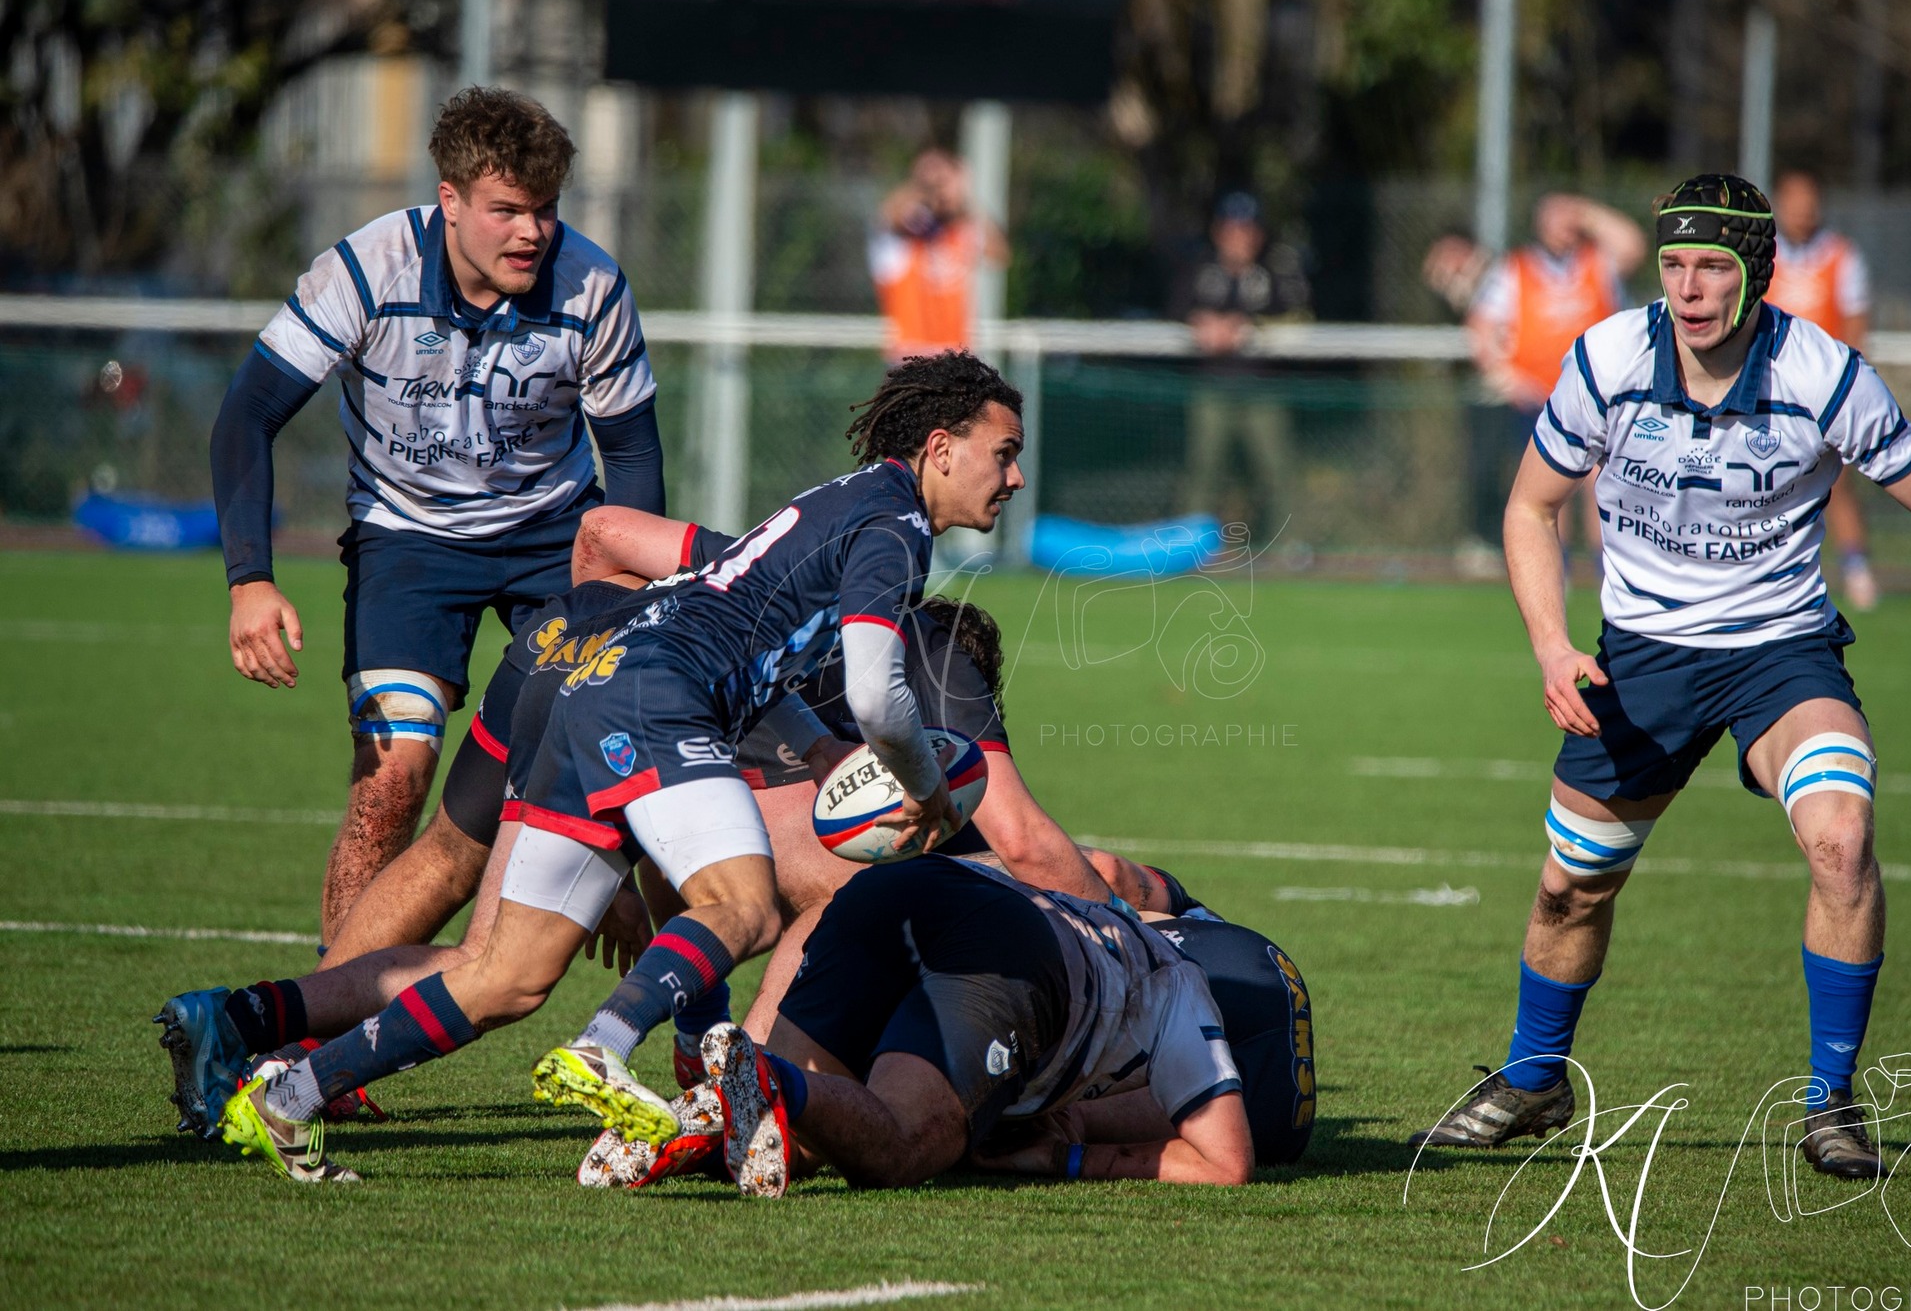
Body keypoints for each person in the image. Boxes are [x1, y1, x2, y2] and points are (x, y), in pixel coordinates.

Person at [212, 352, 1027, 1182]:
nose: (1017, 474)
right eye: (1005, 451)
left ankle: (290, 1097)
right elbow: (877, 688)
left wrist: (817, 749)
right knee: (745, 907)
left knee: (506, 976)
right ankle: (601, 1044)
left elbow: (748, 621)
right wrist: (929, 792)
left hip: (595, 680)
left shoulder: (847, 500)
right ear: (940, 447)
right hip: (658, 694)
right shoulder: (897, 528)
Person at [1408, 174, 1911, 1181]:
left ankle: (1829, 1101)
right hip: (1640, 660)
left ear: (1757, 274)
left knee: (1841, 840)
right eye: (1673, 265)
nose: (1690, 288)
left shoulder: (1822, 372)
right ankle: (1532, 1079)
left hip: (1779, 656)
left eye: (1713, 266)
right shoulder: (1607, 357)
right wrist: (1547, 642)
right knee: (1569, 891)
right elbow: (1530, 507)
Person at [203, 86, 666, 948]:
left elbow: (633, 457)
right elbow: (246, 415)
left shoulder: (592, 283)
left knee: (633, 762)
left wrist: (628, 602)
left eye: (547, 209)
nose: (532, 231)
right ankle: (321, 1028)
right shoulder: (365, 270)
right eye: (507, 211)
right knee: (391, 783)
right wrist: (251, 581)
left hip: (557, 538)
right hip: (408, 539)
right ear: (448, 201)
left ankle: (681, 1023)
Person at [688, 856, 1255, 1196]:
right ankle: (768, 1074)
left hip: (898, 885)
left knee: (796, 1146)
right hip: (1006, 945)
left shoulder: (1107, 921)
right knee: (898, 1148)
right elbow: (1228, 1163)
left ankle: (675, 1131)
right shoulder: (1182, 982)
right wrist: (1061, 1160)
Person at [1462, 194, 1646, 571]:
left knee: (1602, 487)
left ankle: (1606, 575)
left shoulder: (1596, 261)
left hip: (1600, 397)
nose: (1563, 227)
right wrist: (1509, 380)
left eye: (1569, 220)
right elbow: (1480, 328)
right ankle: (1552, 572)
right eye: (1555, 219)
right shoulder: (1516, 269)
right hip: (1540, 402)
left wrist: (1584, 211)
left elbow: (1633, 245)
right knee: (1550, 491)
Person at [1767, 170, 1882, 611]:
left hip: (1823, 389)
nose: (1802, 211)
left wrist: (1844, 381)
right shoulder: (1766, 254)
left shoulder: (1841, 255)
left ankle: (1856, 569)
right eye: (1794, 201)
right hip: (1771, 391)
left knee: (1838, 482)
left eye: (1809, 201)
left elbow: (1856, 320)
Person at [1171, 192, 1313, 543]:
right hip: (1212, 388)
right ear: (1219, 232)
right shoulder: (1199, 269)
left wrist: (1244, 325)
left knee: (1278, 472)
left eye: (1247, 230)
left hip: (1263, 389)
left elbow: (1299, 316)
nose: (1240, 238)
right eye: (1233, 230)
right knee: (1203, 473)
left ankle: (1288, 550)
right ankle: (1189, 549)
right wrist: (1199, 322)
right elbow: (1174, 310)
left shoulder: (1277, 271)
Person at [870, 149, 1009, 361]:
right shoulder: (901, 244)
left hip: (956, 356)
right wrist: (925, 184)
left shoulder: (960, 234)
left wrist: (962, 197)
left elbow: (999, 254)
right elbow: (889, 215)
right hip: (910, 358)